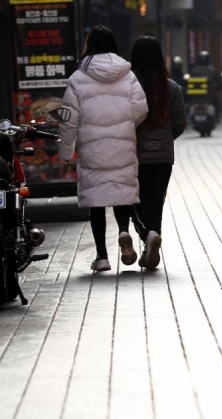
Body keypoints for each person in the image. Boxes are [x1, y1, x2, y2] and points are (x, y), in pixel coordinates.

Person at [58, 25, 148, 272]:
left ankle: (102, 256)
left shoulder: (78, 78)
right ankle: (122, 232)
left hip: (92, 149)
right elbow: (141, 109)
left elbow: (69, 117)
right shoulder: (128, 75)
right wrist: (125, 125)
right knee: (120, 196)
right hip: (122, 145)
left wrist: (65, 151)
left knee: (97, 203)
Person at [129, 36, 187, 269]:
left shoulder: (128, 86)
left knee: (136, 199)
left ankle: (148, 236)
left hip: (135, 153)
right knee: (157, 201)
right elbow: (180, 121)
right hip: (163, 156)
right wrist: (164, 139)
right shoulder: (170, 87)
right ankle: (152, 241)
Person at [191, 51, 222, 122]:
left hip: (194, 95)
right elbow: (218, 82)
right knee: (216, 100)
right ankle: (216, 117)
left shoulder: (193, 70)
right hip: (208, 95)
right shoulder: (211, 71)